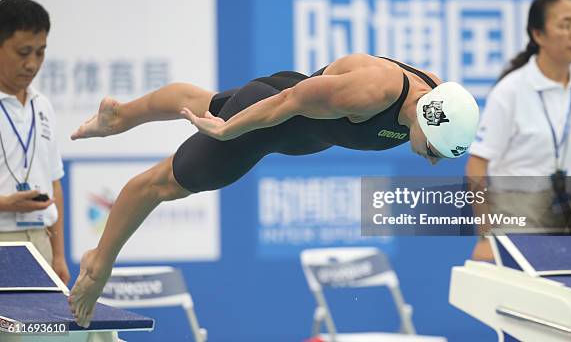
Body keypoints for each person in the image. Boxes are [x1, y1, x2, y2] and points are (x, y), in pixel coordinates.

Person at [68, 53, 479, 326]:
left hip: (302, 127)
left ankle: (120, 115)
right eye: (435, 149)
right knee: (163, 185)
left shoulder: (438, 95)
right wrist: (230, 131)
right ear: (427, 119)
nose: (434, 160)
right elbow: (289, 102)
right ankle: (98, 262)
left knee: (205, 101)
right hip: (268, 123)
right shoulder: (372, 91)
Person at [467, 0, 571, 261]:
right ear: (538, 34)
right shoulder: (511, 91)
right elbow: (476, 166)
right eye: (565, 25)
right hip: (517, 223)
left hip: (570, 224)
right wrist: (485, 236)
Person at [0, 0, 70, 285]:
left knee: (41, 332)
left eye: (40, 53)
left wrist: (59, 255)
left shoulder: (42, 105)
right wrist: (5, 204)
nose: (32, 64)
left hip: (39, 240)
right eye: (23, 52)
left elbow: (54, 182)